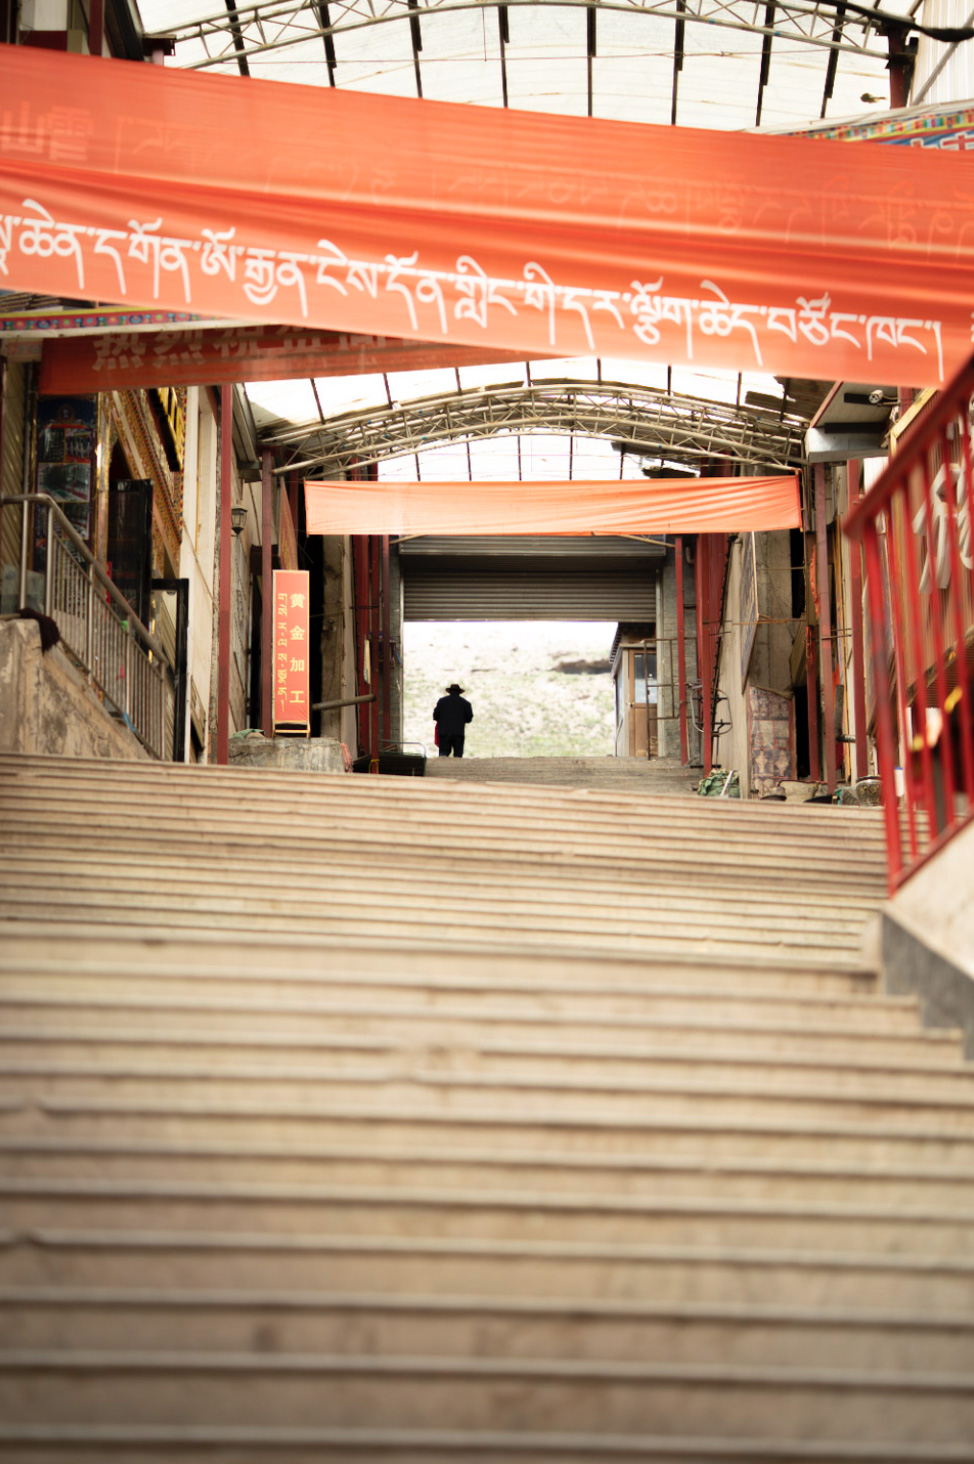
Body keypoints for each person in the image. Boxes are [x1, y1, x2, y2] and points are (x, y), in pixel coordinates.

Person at [433, 682, 473, 758]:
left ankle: (442, 769)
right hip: (458, 732)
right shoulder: (466, 703)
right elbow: (469, 719)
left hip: (444, 732)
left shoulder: (442, 701)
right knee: (458, 756)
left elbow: (435, 716)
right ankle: (457, 769)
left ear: (449, 691)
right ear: (459, 692)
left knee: (443, 756)